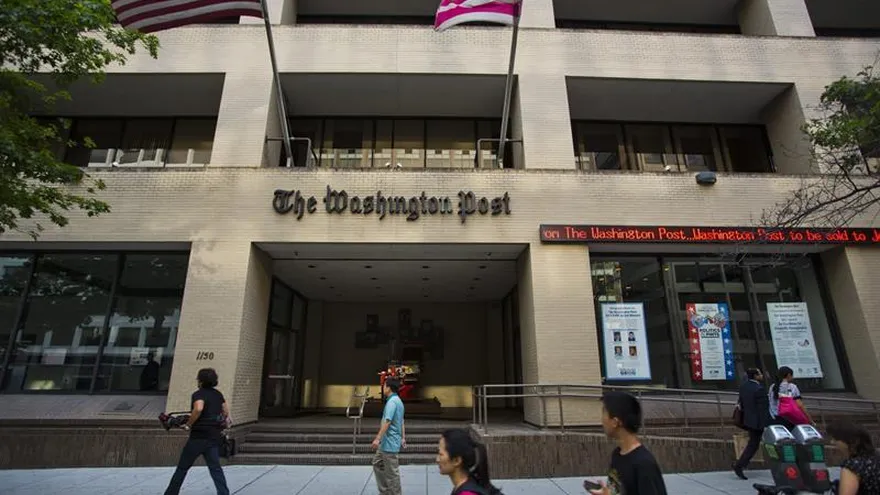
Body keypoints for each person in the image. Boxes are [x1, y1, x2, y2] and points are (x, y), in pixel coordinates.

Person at [164, 368, 231, 495]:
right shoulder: (218, 394)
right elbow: (226, 411)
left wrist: (188, 424)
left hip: (197, 437)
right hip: (213, 437)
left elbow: (199, 408)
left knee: (182, 468)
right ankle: (223, 493)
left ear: (201, 381)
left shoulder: (199, 394)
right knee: (215, 469)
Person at [587, 391, 667, 495]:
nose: (601, 420)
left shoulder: (644, 464)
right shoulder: (617, 455)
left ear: (615, 422)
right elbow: (615, 492)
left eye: (604, 413)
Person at [436, 428, 502, 495]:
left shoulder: (467, 492)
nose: (437, 460)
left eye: (441, 454)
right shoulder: (471, 483)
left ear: (457, 461)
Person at [733, 368, 770, 480]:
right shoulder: (759, 389)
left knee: (753, 443)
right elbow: (763, 408)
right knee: (753, 444)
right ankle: (739, 465)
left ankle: (740, 464)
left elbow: (741, 403)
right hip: (758, 422)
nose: (762, 375)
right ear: (755, 376)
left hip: (748, 420)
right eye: (760, 374)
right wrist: (767, 423)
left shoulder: (744, 387)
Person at [372, 377, 406, 495]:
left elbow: (387, 421)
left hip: (389, 442)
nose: (383, 388)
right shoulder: (398, 401)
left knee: (392, 473)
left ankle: (395, 493)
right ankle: (385, 491)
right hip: (386, 442)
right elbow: (401, 421)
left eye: (385, 386)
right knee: (377, 463)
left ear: (389, 388)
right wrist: (403, 437)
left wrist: (377, 439)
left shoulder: (392, 402)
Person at [827, 421, 880, 495]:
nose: (832, 442)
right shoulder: (875, 458)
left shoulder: (853, 466)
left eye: (836, 439)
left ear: (852, 441)